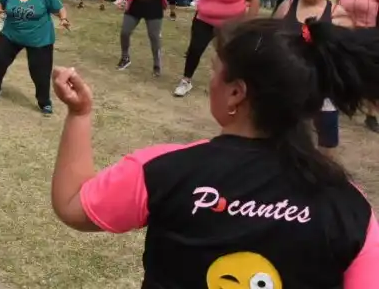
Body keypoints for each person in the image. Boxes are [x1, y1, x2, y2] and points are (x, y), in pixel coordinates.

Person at [49, 16, 379, 288]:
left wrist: (79, 115)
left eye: (214, 70)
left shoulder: (165, 170)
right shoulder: (351, 208)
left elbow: (72, 204)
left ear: (236, 92)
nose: (211, 83)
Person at [274, 0, 352, 156]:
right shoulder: (287, 6)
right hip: (289, 80)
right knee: (287, 131)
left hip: (322, 84)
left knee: (326, 136)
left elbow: (344, 51)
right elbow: (272, 37)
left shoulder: (336, 13)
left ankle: (323, 174)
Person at [175, 0, 260, 98]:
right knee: (195, 49)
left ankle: (232, 85)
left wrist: (249, 22)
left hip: (230, 24)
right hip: (204, 20)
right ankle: (186, 81)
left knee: (229, 55)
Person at [335, 0, 379, 133]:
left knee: (372, 77)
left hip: (370, 36)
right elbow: (336, 12)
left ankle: (371, 115)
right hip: (346, 36)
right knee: (345, 73)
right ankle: (345, 105)